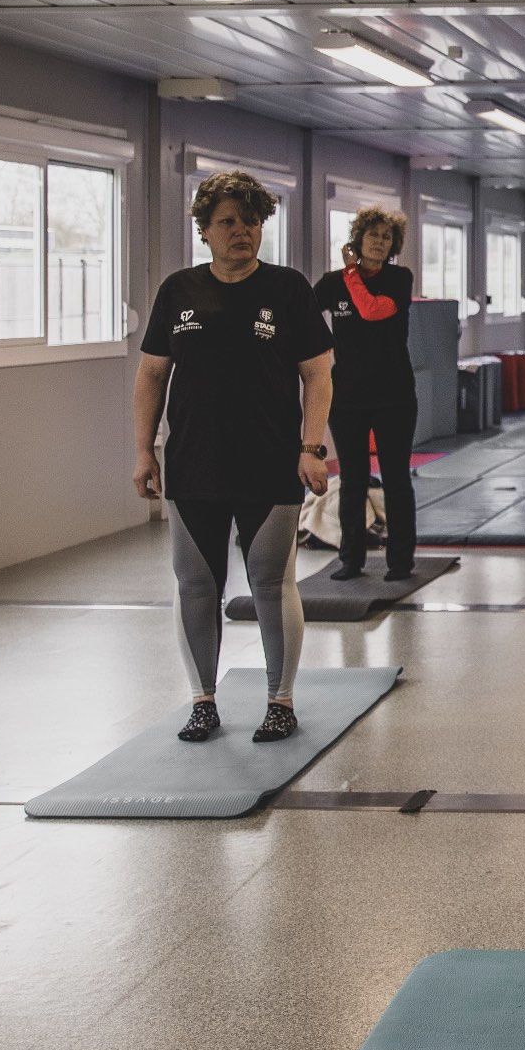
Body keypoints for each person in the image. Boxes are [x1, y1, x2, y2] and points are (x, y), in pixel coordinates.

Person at [133, 171, 334, 743]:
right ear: (204, 229)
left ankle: (280, 701)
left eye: (250, 221)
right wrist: (144, 450)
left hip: (271, 461)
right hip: (192, 464)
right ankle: (203, 701)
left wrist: (311, 448)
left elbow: (318, 375)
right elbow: (151, 375)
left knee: (271, 582)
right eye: (227, 222)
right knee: (196, 585)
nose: (241, 231)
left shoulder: (288, 289)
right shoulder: (178, 290)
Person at [314, 206, 418, 581]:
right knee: (352, 480)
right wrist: (323, 346)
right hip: (348, 398)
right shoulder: (331, 283)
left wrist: (351, 273)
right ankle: (350, 559)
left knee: (396, 478)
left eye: (386, 237)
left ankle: (400, 561)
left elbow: (371, 310)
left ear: (394, 244)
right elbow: (304, 316)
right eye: (373, 235)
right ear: (358, 239)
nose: (379, 242)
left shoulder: (399, 279)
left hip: (394, 396)